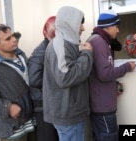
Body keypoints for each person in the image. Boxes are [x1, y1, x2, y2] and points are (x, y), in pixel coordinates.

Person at [42, 6, 93, 141]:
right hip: (67, 114)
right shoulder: (60, 45)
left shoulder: (68, 43)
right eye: (80, 23)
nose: (83, 28)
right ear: (70, 23)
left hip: (69, 112)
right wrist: (87, 54)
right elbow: (65, 78)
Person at [87, 9, 136, 141]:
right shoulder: (99, 43)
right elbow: (105, 74)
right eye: (116, 26)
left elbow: (101, 71)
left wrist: (113, 86)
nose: (118, 30)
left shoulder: (101, 40)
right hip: (102, 106)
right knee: (109, 137)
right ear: (107, 27)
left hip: (102, 103)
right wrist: (127, 67)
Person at [28, 16, 59, 141]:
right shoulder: (42, 50)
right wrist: (59, 82)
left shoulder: (53, 47)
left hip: (49, 102)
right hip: (43, 104)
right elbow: (34, 79)